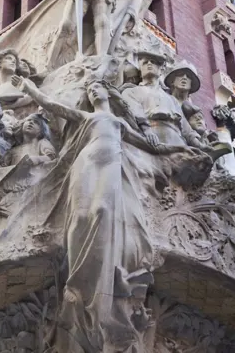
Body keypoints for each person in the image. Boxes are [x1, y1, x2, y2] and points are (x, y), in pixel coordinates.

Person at [10, 73, 202, 352]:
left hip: (112, 166)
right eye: (91, 91)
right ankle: (75, 277)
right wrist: (27, 86)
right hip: (86, 164)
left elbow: (152, 146)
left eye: (99, 89)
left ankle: (99, 286)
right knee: (80, 217)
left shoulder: (120, 122)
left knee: (103, 212)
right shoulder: (87, 118)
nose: (95, 93)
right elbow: (51, 104)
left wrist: (185, 149)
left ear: (108, 94)